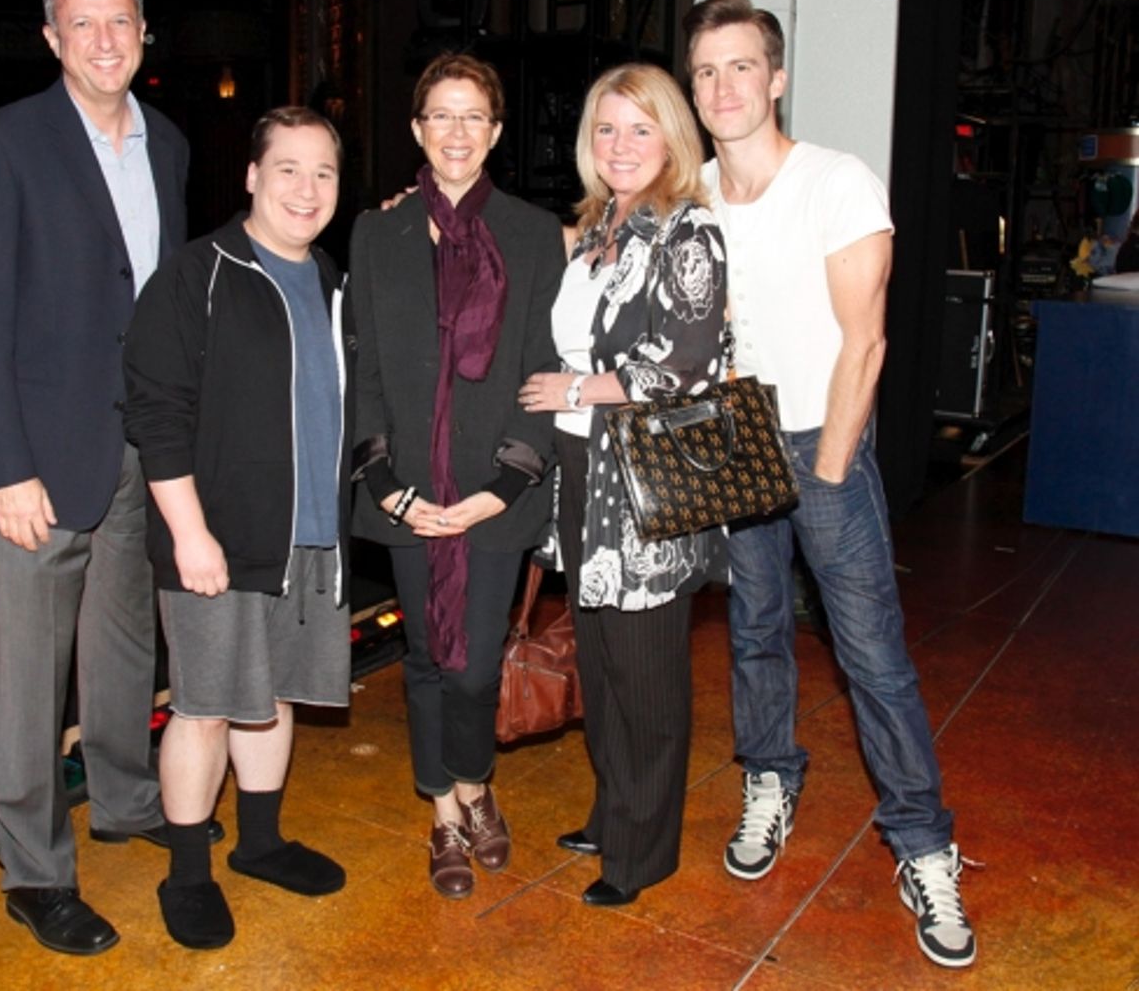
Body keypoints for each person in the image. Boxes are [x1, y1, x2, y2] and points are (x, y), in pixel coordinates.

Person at [683, 0, 975, 969]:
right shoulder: (692, 196)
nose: (723, 85)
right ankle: (769, 775)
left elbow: (866, 341)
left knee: (871, 656)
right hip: (736, 436)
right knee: (754, 630)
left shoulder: (836, 182)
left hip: (822, 439)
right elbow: (595, 236)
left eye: (740, 66)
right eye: (706, 70)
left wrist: (828, 469)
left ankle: (922, 845)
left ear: (775, 78)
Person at [0, 0, 213, 957]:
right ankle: (34, 871)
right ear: (53, 39)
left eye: (119, 21)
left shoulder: (169, 143)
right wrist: (1, 467)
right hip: (38, 459)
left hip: (137, 445)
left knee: (122, 645)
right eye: (82, 24)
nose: (105, 40)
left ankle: (126, 800)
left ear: (144, 33)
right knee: (27, 677)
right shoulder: (2, 143)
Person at [123, 106, 354, 950]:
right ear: (252, 176)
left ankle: (260, 844)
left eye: (323, 172)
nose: (306, 188)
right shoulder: (196, 276)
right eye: (287, 168)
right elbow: (157, 417)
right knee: (206, 708)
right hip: (216, 542)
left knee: (273, 695)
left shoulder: (329, 277)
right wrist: (190, 535)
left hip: (310, 539)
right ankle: (187, 875)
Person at [350, 53, 565, 899]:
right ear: (417, 129)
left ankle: (476, 785)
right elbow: (364, 367)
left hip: (493, 489)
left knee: (474, 665)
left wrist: (500, 489)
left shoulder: (532, 234)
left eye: (473, 115)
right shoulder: (379, 233)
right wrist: (385, 483)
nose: (457, 131)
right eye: (440, 114)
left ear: (497, 131)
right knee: (426, 658)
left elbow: (545, 367)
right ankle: (444, 812)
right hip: (407, 488)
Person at [518, 63, 728, 907]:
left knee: (645, 677)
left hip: (646, 476)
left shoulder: (687, 231)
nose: (621, 144)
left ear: (672, 138)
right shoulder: (600, 225)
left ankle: (643, 854)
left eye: (641, 128)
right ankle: (614, 813)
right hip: (584, 469)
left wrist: (575, 389)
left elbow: (686, 366)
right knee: (600, 663)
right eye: (606, 128)